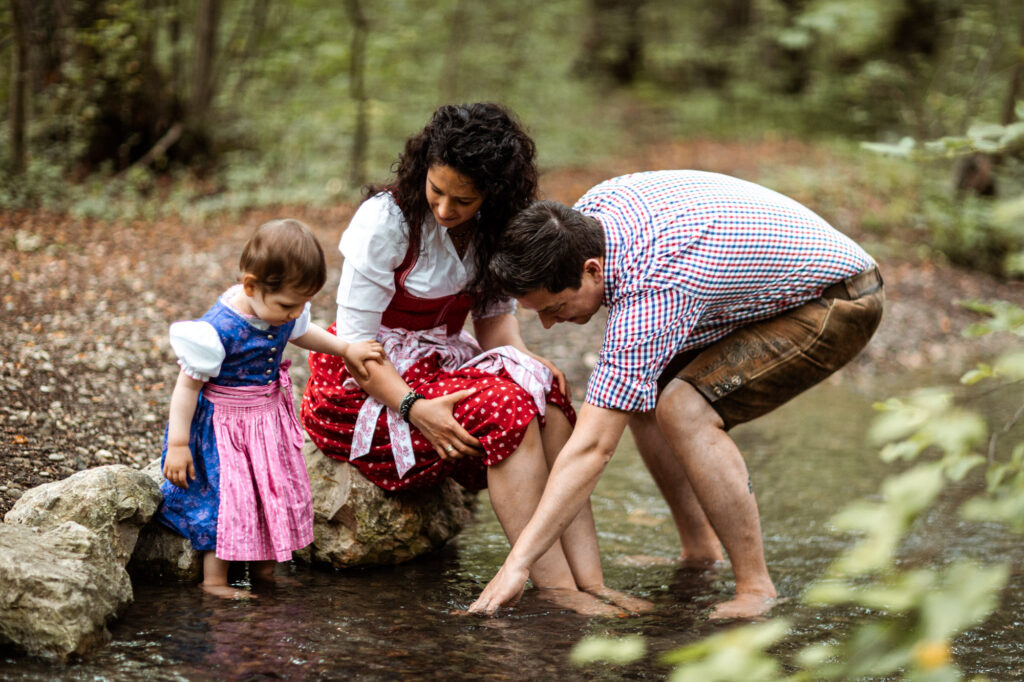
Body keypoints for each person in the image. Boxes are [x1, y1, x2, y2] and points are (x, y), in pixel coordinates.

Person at [469, 170, 885, 619]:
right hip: (758, 288)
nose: (549, 325)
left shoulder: (655, 288)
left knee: (685, 408)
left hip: (837, 299)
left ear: (592, 269)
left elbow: (593, 448)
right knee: (641, 395)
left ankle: (756, 588)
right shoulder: (583, 222)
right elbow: (621, 395)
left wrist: (517, 564)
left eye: (555, 308)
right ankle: (701, 552)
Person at [301, 103, 648, 615]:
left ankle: (591, 581)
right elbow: (355, 345)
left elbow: (494, 322)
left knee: (549, 397)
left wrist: (528, 365)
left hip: (439, 363)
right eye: (436, 190)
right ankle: (557, 591)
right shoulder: (386, 222)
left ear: (494, 193)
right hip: (369, 380)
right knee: (506, 410)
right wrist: (415, 407)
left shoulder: (498, 225)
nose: (445, 209)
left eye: (462, 200)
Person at [156, 219, 385, 599]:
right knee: (230, 499)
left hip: (265, 423)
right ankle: (214, 581)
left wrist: (345, 348)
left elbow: (301, 333)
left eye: (302, 305)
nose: (294, 314)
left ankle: (265, 573)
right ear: (250, 286)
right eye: (288, 305)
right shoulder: (217, 330)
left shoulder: (281, 311)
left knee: (268, 491)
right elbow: (186, 388)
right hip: (225, 429)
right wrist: (179, 444)